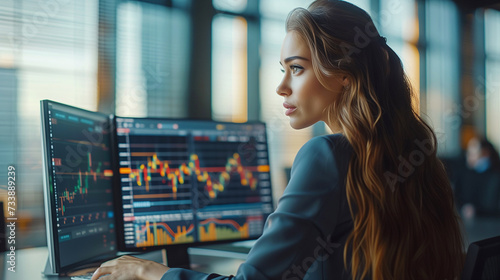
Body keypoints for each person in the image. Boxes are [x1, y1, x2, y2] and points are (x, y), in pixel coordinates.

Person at [91, 1, 464, 279]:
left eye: (297, 68)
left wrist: (147, 273)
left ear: (344, 73)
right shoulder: (414, 154)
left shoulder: (327, 156)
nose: (281, 86)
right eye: (283, 69)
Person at [455, 136, 500, 218]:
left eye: (472, 153)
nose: (468, 157)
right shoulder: (466, 174)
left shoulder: (495, 176)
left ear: (485, 153)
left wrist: (476, 210)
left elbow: (492, 205)